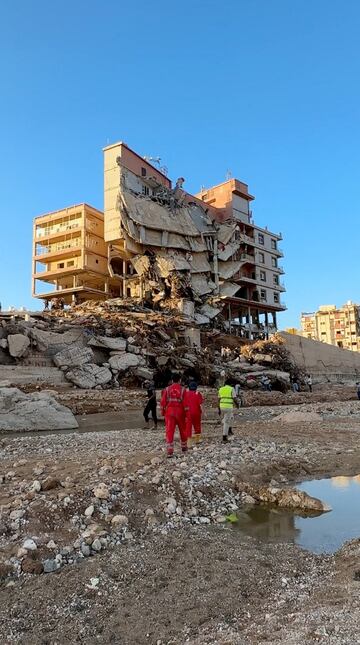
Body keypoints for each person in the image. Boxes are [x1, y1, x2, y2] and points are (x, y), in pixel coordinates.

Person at [161, 374, 187, 457]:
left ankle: (170, 450)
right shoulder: (183, 390)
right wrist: (187, 414)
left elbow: (163, 402)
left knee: (169, 430)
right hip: (180, 411)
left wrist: (162, 412)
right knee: (183, 429)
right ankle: (184, 447)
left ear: (172, 380)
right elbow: (186, 404)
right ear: (180, 380)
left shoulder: (167, 389)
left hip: (169, 412)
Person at [184, 381, 204, 447]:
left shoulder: (186, 393)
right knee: (197, 425)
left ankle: (189, 444)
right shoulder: (198, 393)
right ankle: (197, 440)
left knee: (188, 427)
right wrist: (203, 411)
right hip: (197, 412)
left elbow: (183, 403)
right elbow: (200, 404)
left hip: (188, 412)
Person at [218, 378, 237, 443]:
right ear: (231, 384)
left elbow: (218, 399)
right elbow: (234, 399)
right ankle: (224, 437)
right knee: (226, 422)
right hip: (228, 407)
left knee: (231, 417)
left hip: (221, 406)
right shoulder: (232, 389)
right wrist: (237, 405)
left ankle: (229, 430)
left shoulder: (221, 389)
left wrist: (219, 409)